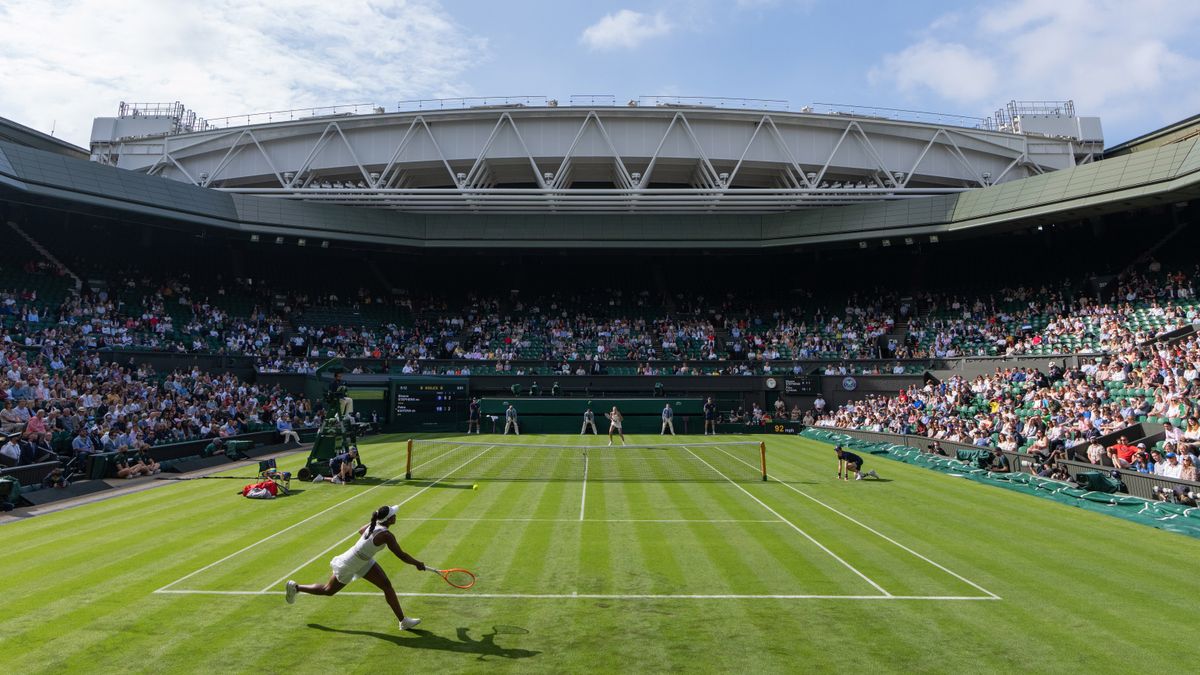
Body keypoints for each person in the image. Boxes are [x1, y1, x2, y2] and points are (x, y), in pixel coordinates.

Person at [287, 504, 427, 631]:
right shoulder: (386, 535)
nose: (396, 516)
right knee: (328, 590)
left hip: (363, 561)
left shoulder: (375, 526)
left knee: (386, 585)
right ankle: (296, 588)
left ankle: (403, 621)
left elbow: (361, 531)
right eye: (394, 515)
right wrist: (418, 564)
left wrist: (375, 524)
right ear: (390, 520)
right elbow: (402, 555)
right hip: (350, 563)